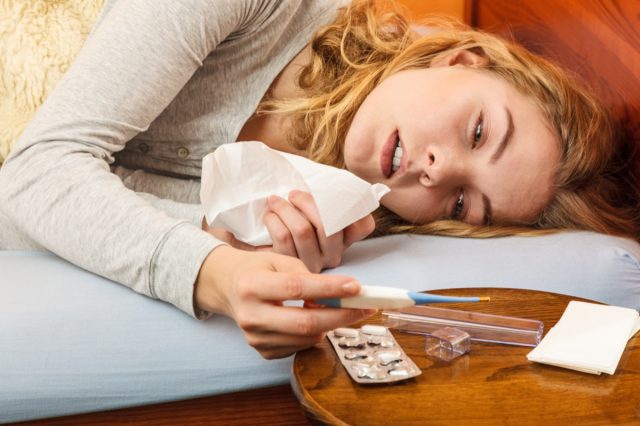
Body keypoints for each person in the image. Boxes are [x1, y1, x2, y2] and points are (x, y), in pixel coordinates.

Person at [0, 0, 637, 360]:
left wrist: (227, 235)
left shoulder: (330, 213)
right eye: (476, 132)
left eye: (464, 201)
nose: (438, 171)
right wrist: (214, 272)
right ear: (462, 60)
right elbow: (33, 173)